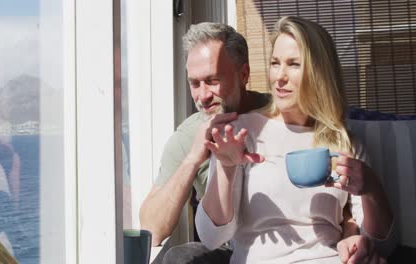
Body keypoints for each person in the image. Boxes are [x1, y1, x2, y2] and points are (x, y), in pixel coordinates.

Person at [196, 16, 396, 263]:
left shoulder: (342, 142)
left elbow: (381, 245)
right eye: (275, 63)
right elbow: (211, 237)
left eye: (293, 64)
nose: (279, 77)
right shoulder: (243, 132)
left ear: (319, 72)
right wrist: (226, 168)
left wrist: (372, 190)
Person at [139, 22, 270, 261]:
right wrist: (192, 158)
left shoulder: (281, 116)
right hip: (231, 248)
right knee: (179, 257)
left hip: (285, 242)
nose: (203, 96)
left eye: (212, 81)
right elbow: (153, 230)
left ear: (244, 75)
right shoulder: (190, 135)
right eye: (194, 83)